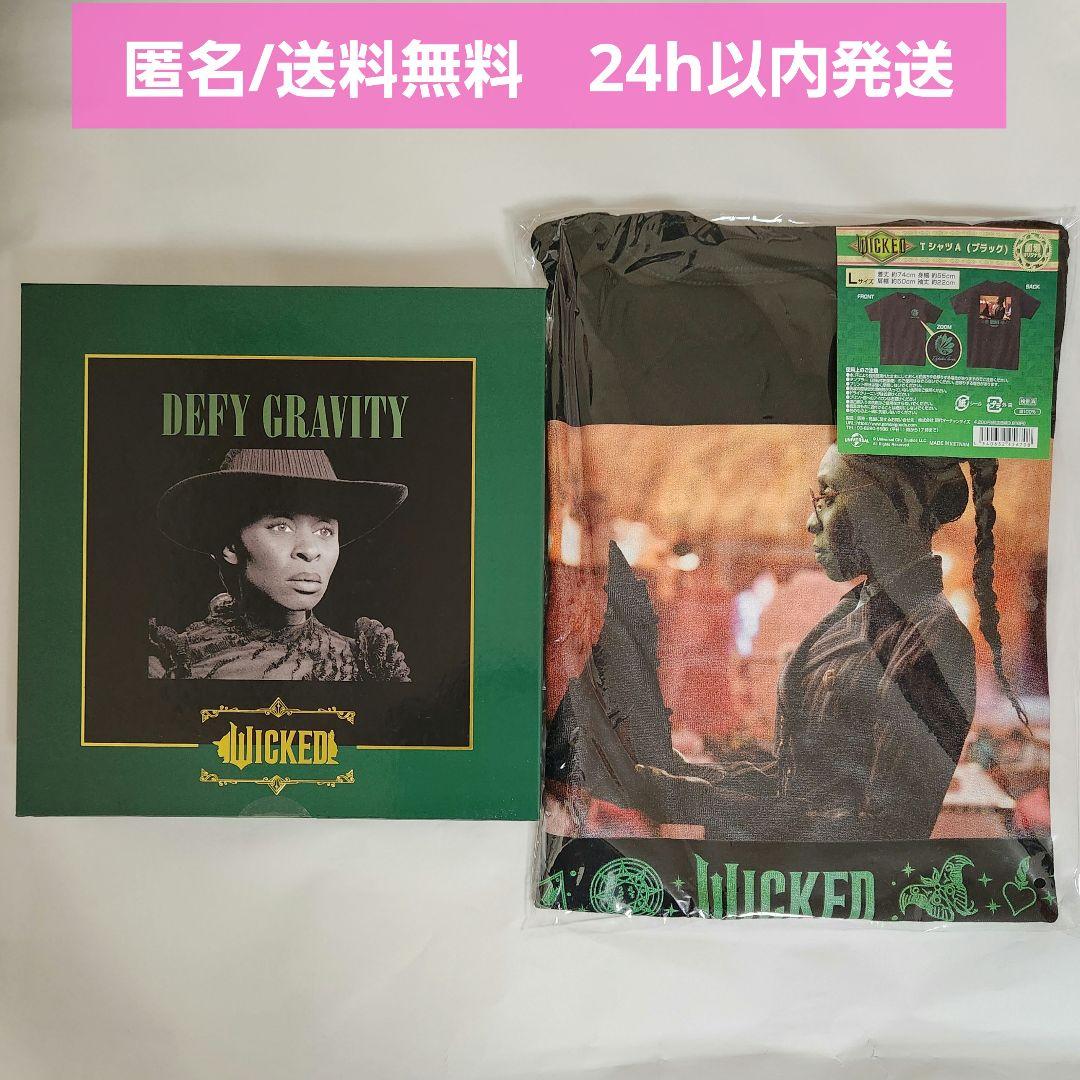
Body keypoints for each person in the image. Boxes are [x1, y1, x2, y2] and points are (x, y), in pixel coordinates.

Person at [582, 444, 1023, 842]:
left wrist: (688, 798)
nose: (813, 521)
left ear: (895, 505)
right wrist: (670, 777)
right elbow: (791, 781)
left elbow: (881, 834)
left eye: (828, 496)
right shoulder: (854, 615)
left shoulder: (933, 642)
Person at [148, 448, 411, 682]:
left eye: (324, 531)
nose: (310, 551)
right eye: (281, 527)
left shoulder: (367, 666)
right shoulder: (174, 665)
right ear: (231, 546)